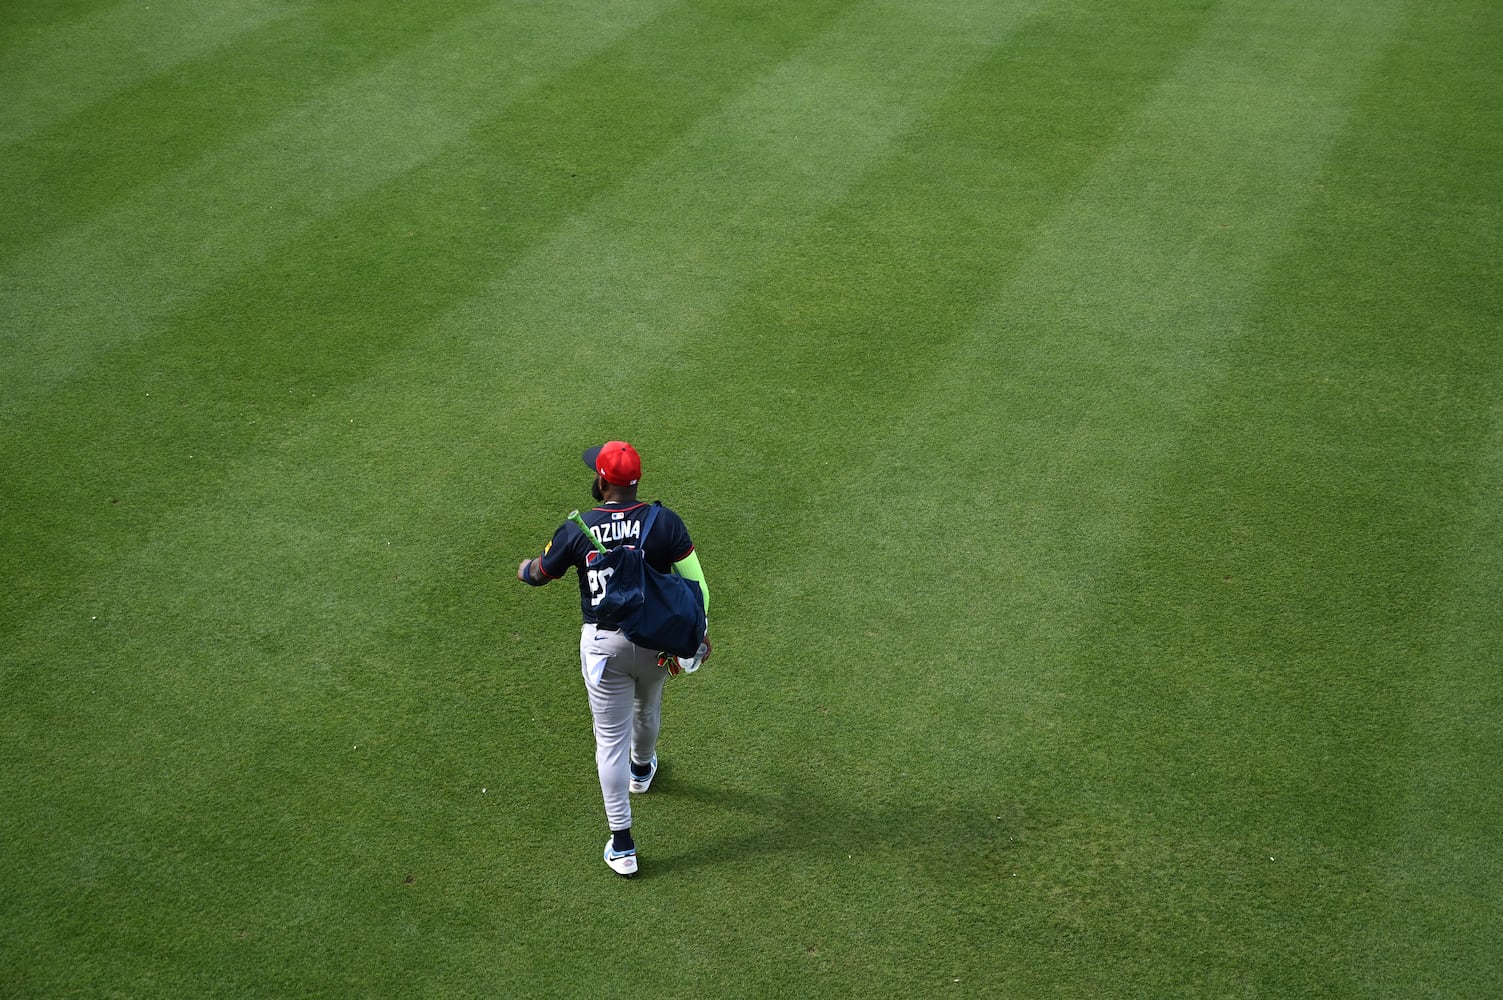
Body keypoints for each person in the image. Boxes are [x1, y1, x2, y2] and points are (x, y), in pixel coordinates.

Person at [516, 441, 711, 877]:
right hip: (657, 642)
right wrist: (698, 637)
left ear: (602, 481)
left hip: (604, 648)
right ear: (636, 481)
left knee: (609, 740)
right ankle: (642, 770)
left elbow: (540, 574)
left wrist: (524, 566)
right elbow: (700, 589)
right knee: (649, 707)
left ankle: (622, 845)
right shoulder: (665, 523)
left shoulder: (579, 527)